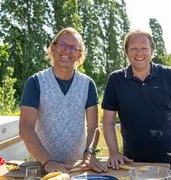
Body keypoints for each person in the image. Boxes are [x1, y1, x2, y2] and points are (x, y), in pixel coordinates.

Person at [102, 29, 171, 169]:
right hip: (132, 164)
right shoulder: (115, 79)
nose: (139, 53)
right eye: (133, 48)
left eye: (144, 48)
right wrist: (113, 153)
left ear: (152, 51)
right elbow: (108, 121)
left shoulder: (169, 75)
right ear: (126, 52)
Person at [19, 27, 107, 173]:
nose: (67, 51)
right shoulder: (35, 82)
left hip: (77, 168)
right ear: (53, 49)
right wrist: (48, 162)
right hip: (42, 167)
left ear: (79, 55)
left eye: (73, 48)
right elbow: (25, 128)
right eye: (62, 45)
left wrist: (89, 152)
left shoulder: (88, 84)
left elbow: (93, 127)